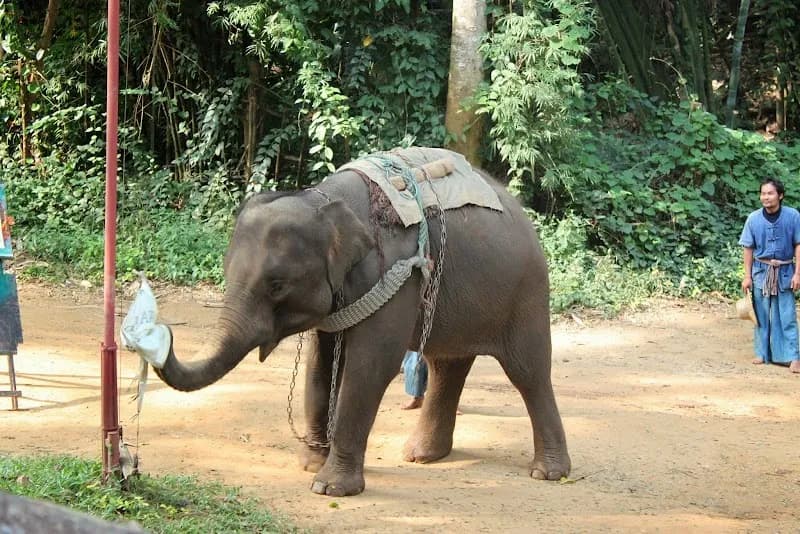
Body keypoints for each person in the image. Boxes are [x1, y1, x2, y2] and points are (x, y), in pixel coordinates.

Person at [739, 177, 800, 373]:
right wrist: (747, 276)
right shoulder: (753, 219)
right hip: (760, 272)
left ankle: (793, 357)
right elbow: (748, 248)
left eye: (770, 193)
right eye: (763, 193)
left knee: (787, 315)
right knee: (760, 315)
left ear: (780, 195)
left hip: (785, 272)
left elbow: (798, 245)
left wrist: (797, 273)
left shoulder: (793, 216)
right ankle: (762, 353)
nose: (765, 197)